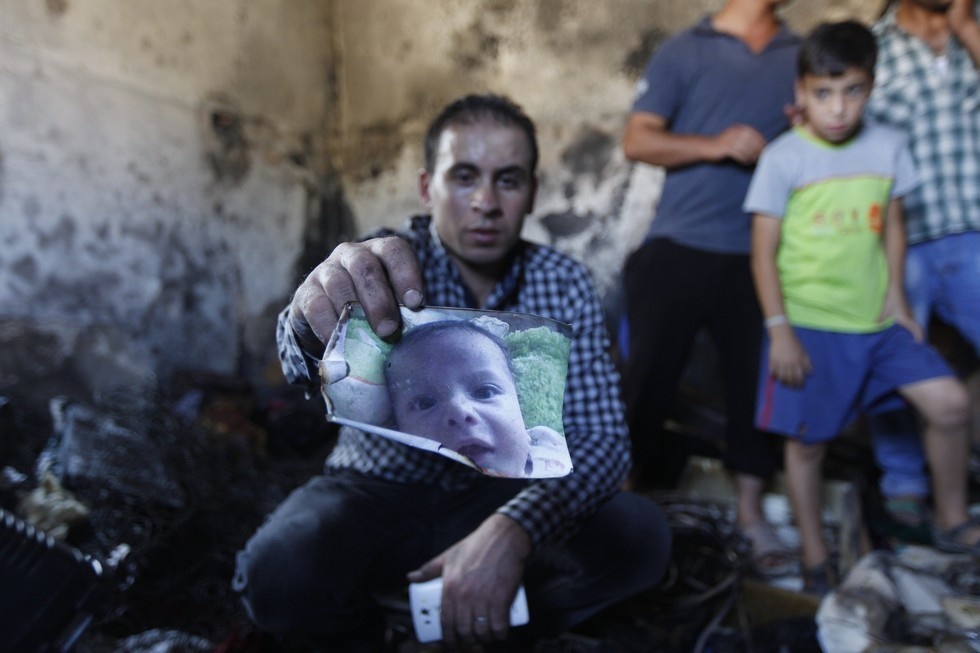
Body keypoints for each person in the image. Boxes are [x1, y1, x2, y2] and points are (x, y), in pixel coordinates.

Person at [233, 93, 671, 651]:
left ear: (532, 193)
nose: (486, 202)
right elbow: (300, 366)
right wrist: (304, 322)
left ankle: (494, 630)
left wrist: (515, 531)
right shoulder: (379, 267)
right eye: (464, 177)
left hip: (504, 490)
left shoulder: (563, 281)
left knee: (640, 537)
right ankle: (380, 641)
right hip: (377, 490)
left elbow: (603, 438)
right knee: (277, 573)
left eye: (508, 180)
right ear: (426, 188)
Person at [745, 20, 980, 594]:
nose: (838, 109)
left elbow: (893, 225)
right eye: (823, 93)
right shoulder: (783, 158)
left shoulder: (887, 146)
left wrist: (898, 297)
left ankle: (950, 520)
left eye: (852, 91)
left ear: (870, 88)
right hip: (811, 326)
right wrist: (780, 331)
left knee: (950, 403)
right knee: (807, 444)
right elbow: (761, 255)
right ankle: (816, 553)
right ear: (800, 92)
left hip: (878, 325)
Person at [620, 0, 798, 578]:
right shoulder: (684, 50)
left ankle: (751, 512)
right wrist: (715, 143)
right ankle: (622, 499)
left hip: (760, 257)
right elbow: (638, 140)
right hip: (679, 244)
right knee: (646, 380)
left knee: (759, 384)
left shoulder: (800, 56)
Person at [862, 0, 980, 535]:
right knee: (897, 358)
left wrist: (964, 28)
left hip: (975, 229)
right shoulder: (873, 48)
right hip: (900, 239)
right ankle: (904, 484)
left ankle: (954, 499)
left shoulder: (973, 30)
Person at [385, 319, 572, 478]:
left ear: (519, 406)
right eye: (425, 403)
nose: (459, 411)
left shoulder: (549, 446)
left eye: (485, 393)